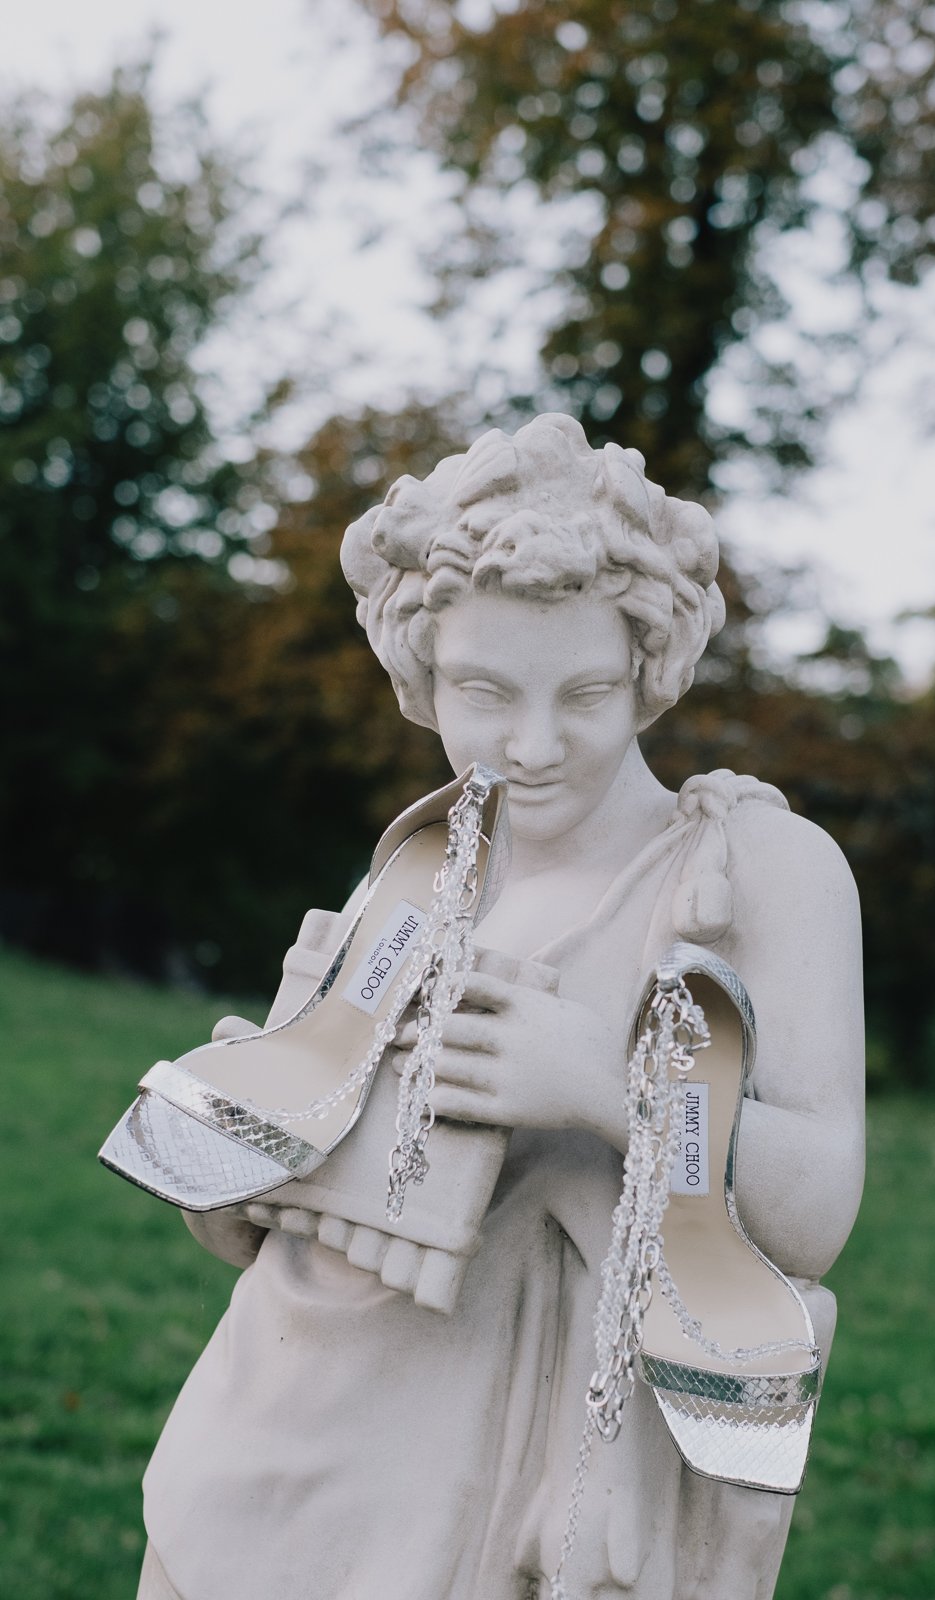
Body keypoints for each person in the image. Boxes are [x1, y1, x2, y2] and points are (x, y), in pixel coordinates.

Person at [137, 414, 865, 1600]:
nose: (531, 745)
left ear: (650, 664)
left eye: (584, 691)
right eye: (483, 691)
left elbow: (816, 1214)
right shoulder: (417, 866)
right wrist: (256, 1145)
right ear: (421, 675)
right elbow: (260, 1239)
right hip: (271, 1428)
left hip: (517, 1479)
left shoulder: (754, 871)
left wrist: (602, 1083)